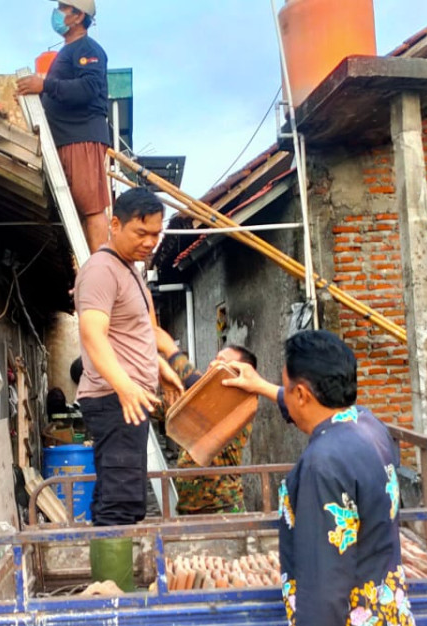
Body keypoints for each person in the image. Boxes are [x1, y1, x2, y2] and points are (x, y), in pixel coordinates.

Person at [223, 330, 417, 626]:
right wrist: (263, 387)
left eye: (288, 387)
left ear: (303, 394)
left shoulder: (321, 465)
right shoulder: (368, 426)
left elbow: (323, 577)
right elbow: (306, 407)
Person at [74, 187, 182, 528]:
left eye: (155, 233)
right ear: (115, 224)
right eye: (141, 232)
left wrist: (159, 367)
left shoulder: (129, 270)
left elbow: (136, 333)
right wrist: (125, 387)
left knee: (127, 498)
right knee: (118, 502)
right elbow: (93, 334)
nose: (150, 242)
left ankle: (116, 578)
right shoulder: (101, 270)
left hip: (129, 398)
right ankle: (109, 581)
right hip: (113, 399)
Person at [16, 1, 112, 253]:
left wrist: (45, 86)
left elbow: (88, 89)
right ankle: (87, 271)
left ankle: (100, 271)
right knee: (77, 210)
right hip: (64, 139)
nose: (57, 14)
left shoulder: (88, 49)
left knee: (91, 208)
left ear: (79, 16)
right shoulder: (66, 52)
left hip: (81, 137)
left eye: (63, 8)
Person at [155, 333, 258, 515]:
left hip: (222, 508)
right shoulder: (199, 401)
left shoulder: (241, 401)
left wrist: (172, 353)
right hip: (188, 508)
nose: (212, 364)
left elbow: (195, 383)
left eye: (221, 361)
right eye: (214, 359)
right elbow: (159, 407)